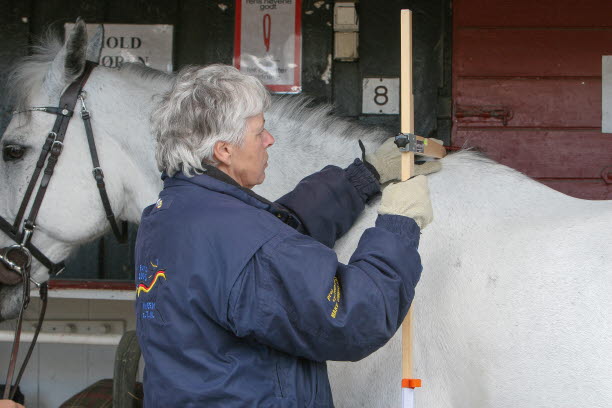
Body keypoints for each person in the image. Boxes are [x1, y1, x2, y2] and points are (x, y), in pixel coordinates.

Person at [135, 64, 439, 407]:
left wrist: (363, 178)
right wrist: (399, 224)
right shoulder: (248, 246)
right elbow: (356, 317)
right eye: (259, 132)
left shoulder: (167, 216)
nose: (269, 140)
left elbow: (274, 239)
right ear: (224, 150)